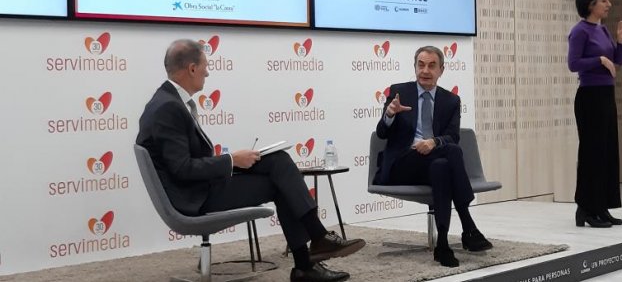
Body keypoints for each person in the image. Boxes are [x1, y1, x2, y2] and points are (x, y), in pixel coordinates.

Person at [136, 39, 365, 282]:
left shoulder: (169, 101)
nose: (208, 72)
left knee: (278, 162)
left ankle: (311, 255)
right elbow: (182, 169)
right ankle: (310, 255)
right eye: (205, 65)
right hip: (194, 198)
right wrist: (231, 160)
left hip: (199, 189)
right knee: (282, 180)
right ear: (192, 68)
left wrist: (235, 160)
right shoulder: (167, 108)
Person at [375, 46, 492, 267]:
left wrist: (433, 142)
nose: (425, 70)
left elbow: (452, 137)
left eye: (431, 65)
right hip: (403, 164)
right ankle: (468, 225)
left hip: (432, 162)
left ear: (441, 70)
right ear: (415, 67)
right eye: (421, 65)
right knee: (453, 152)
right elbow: (382, 132)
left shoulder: (450, 100)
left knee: (441, 165)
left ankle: (443, 244)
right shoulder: (399, 92)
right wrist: (389, 114)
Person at [568, 0, 622, 228]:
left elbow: (618, 61)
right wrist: (599, 59)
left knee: (606, 152)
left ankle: (601, 206)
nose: (609, 4)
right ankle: (587, 207)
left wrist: (620, 42)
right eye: (604, 1)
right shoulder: (579, 31)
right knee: (592, 153)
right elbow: (573, 64)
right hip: (589, 97)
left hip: (606, 95)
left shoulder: (603, 30)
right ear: (591, 4)